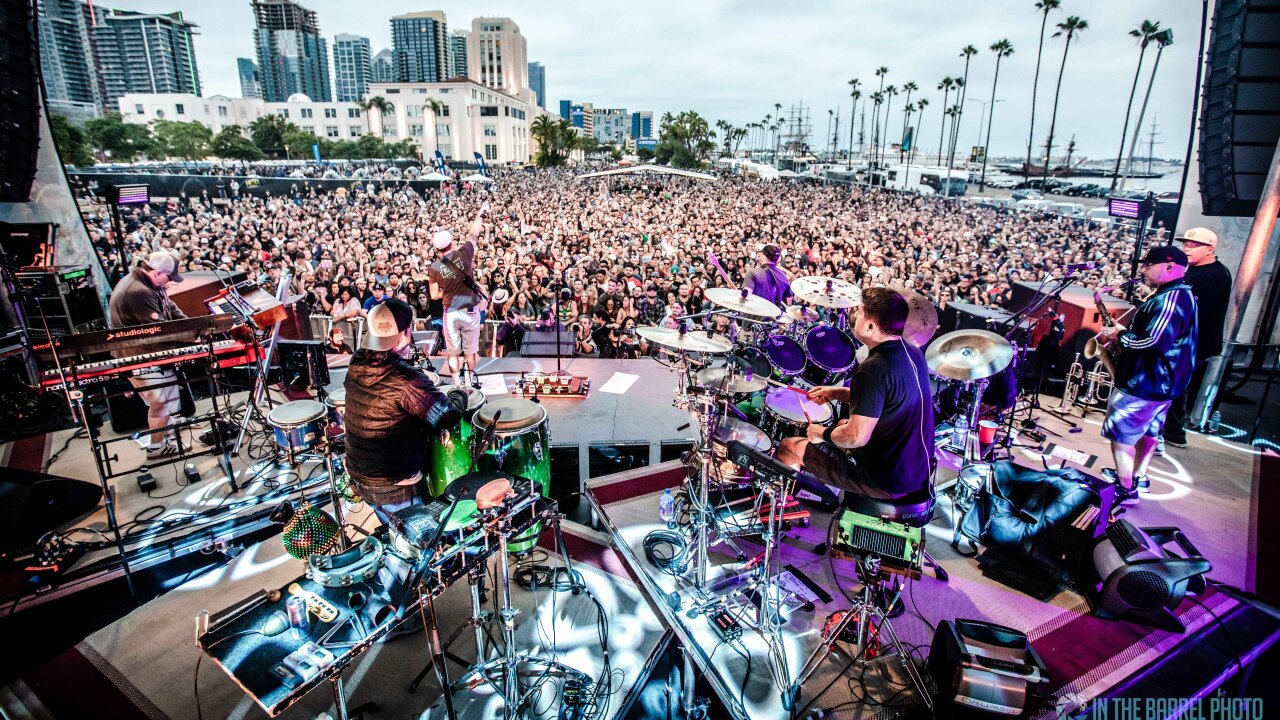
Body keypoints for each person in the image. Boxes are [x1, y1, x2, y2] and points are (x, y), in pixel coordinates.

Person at [775, 287, 934, 502]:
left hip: (883, 478)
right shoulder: (912, 352)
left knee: (789, 446)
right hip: (913, 468)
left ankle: (781, 507)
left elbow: (855, 437)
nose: (854, 316)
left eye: (859, 312)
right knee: (842, 424)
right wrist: (838, 392)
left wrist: (820, 433)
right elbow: (888, 398)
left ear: (870, 326)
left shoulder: (873, 368)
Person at [343, 299, 464, 522]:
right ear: (407, 331)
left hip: (359, 474)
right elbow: (446, 415)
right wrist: (459, 393)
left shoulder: (357, 360)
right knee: (414, 543)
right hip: (394, 485)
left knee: (392, 530)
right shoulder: (406, 381)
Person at [1097, 246, 1198, 502]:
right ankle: (1138, 476)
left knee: (1122, 435)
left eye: (1148, 264)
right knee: (1150, 431)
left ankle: (1125, 487)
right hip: (1163, 384)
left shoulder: (1169, 300)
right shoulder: (1180, 295)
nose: (1143, 269)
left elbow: (1153, 343)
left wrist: (1119, 334)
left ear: (1168, 266)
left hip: (1147, 382)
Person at [107, 250, 187, 458]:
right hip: (142, 357)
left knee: (163, 400)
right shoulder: (138, 292)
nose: (170, 283)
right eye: (169, 278)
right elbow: (159, 329)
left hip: (147, 356)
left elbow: (170, 308)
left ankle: (165, 434)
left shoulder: (148, 284)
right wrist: (190, 337)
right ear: (158, 272)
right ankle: (157, 447)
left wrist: (195, 327)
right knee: (160, 403)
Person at [1163, 228, 1232, 451]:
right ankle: (1168, 429)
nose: (1187, 248)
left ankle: (1174, 432)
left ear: (1210, 249)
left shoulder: (1215, 274)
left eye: (1194, 245)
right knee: (1173, 382)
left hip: (1195, 342)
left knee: (1176, 383)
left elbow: (1196, 312)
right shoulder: (1190, 270)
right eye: (1186, 244)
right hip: (1185, 339)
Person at [429, 203, 489, 383]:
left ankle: (457, 384)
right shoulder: (464, 254)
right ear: (452, 242)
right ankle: (470, 382)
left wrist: (446, 290)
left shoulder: (434, 268)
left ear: (438, 249)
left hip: (451, 313)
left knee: (453, 352)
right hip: (470, 311)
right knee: (470, 352)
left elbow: (433, 296)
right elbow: (474, 233)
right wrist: (480, 212)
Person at [742, 244, 793, 308]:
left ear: (763, 256)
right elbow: (789, 297)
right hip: (775, 315)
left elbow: (746, 296)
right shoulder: (783, 275)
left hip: (755, 315)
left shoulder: (752, 272)